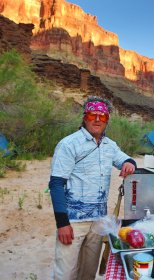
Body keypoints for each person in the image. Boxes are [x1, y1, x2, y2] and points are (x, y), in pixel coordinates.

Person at [49, 96, 136, 280]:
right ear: (84, 117)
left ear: (107, 120)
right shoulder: (69, 144)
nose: (97, 119)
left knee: (88, 273)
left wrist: (129, 163)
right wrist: (62, 223)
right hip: (73, 221)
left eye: (102, 116)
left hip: (98, 221)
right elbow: (56, 184)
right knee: (65, 274)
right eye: (92, 114)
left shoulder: (109, 145)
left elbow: (125, 159)